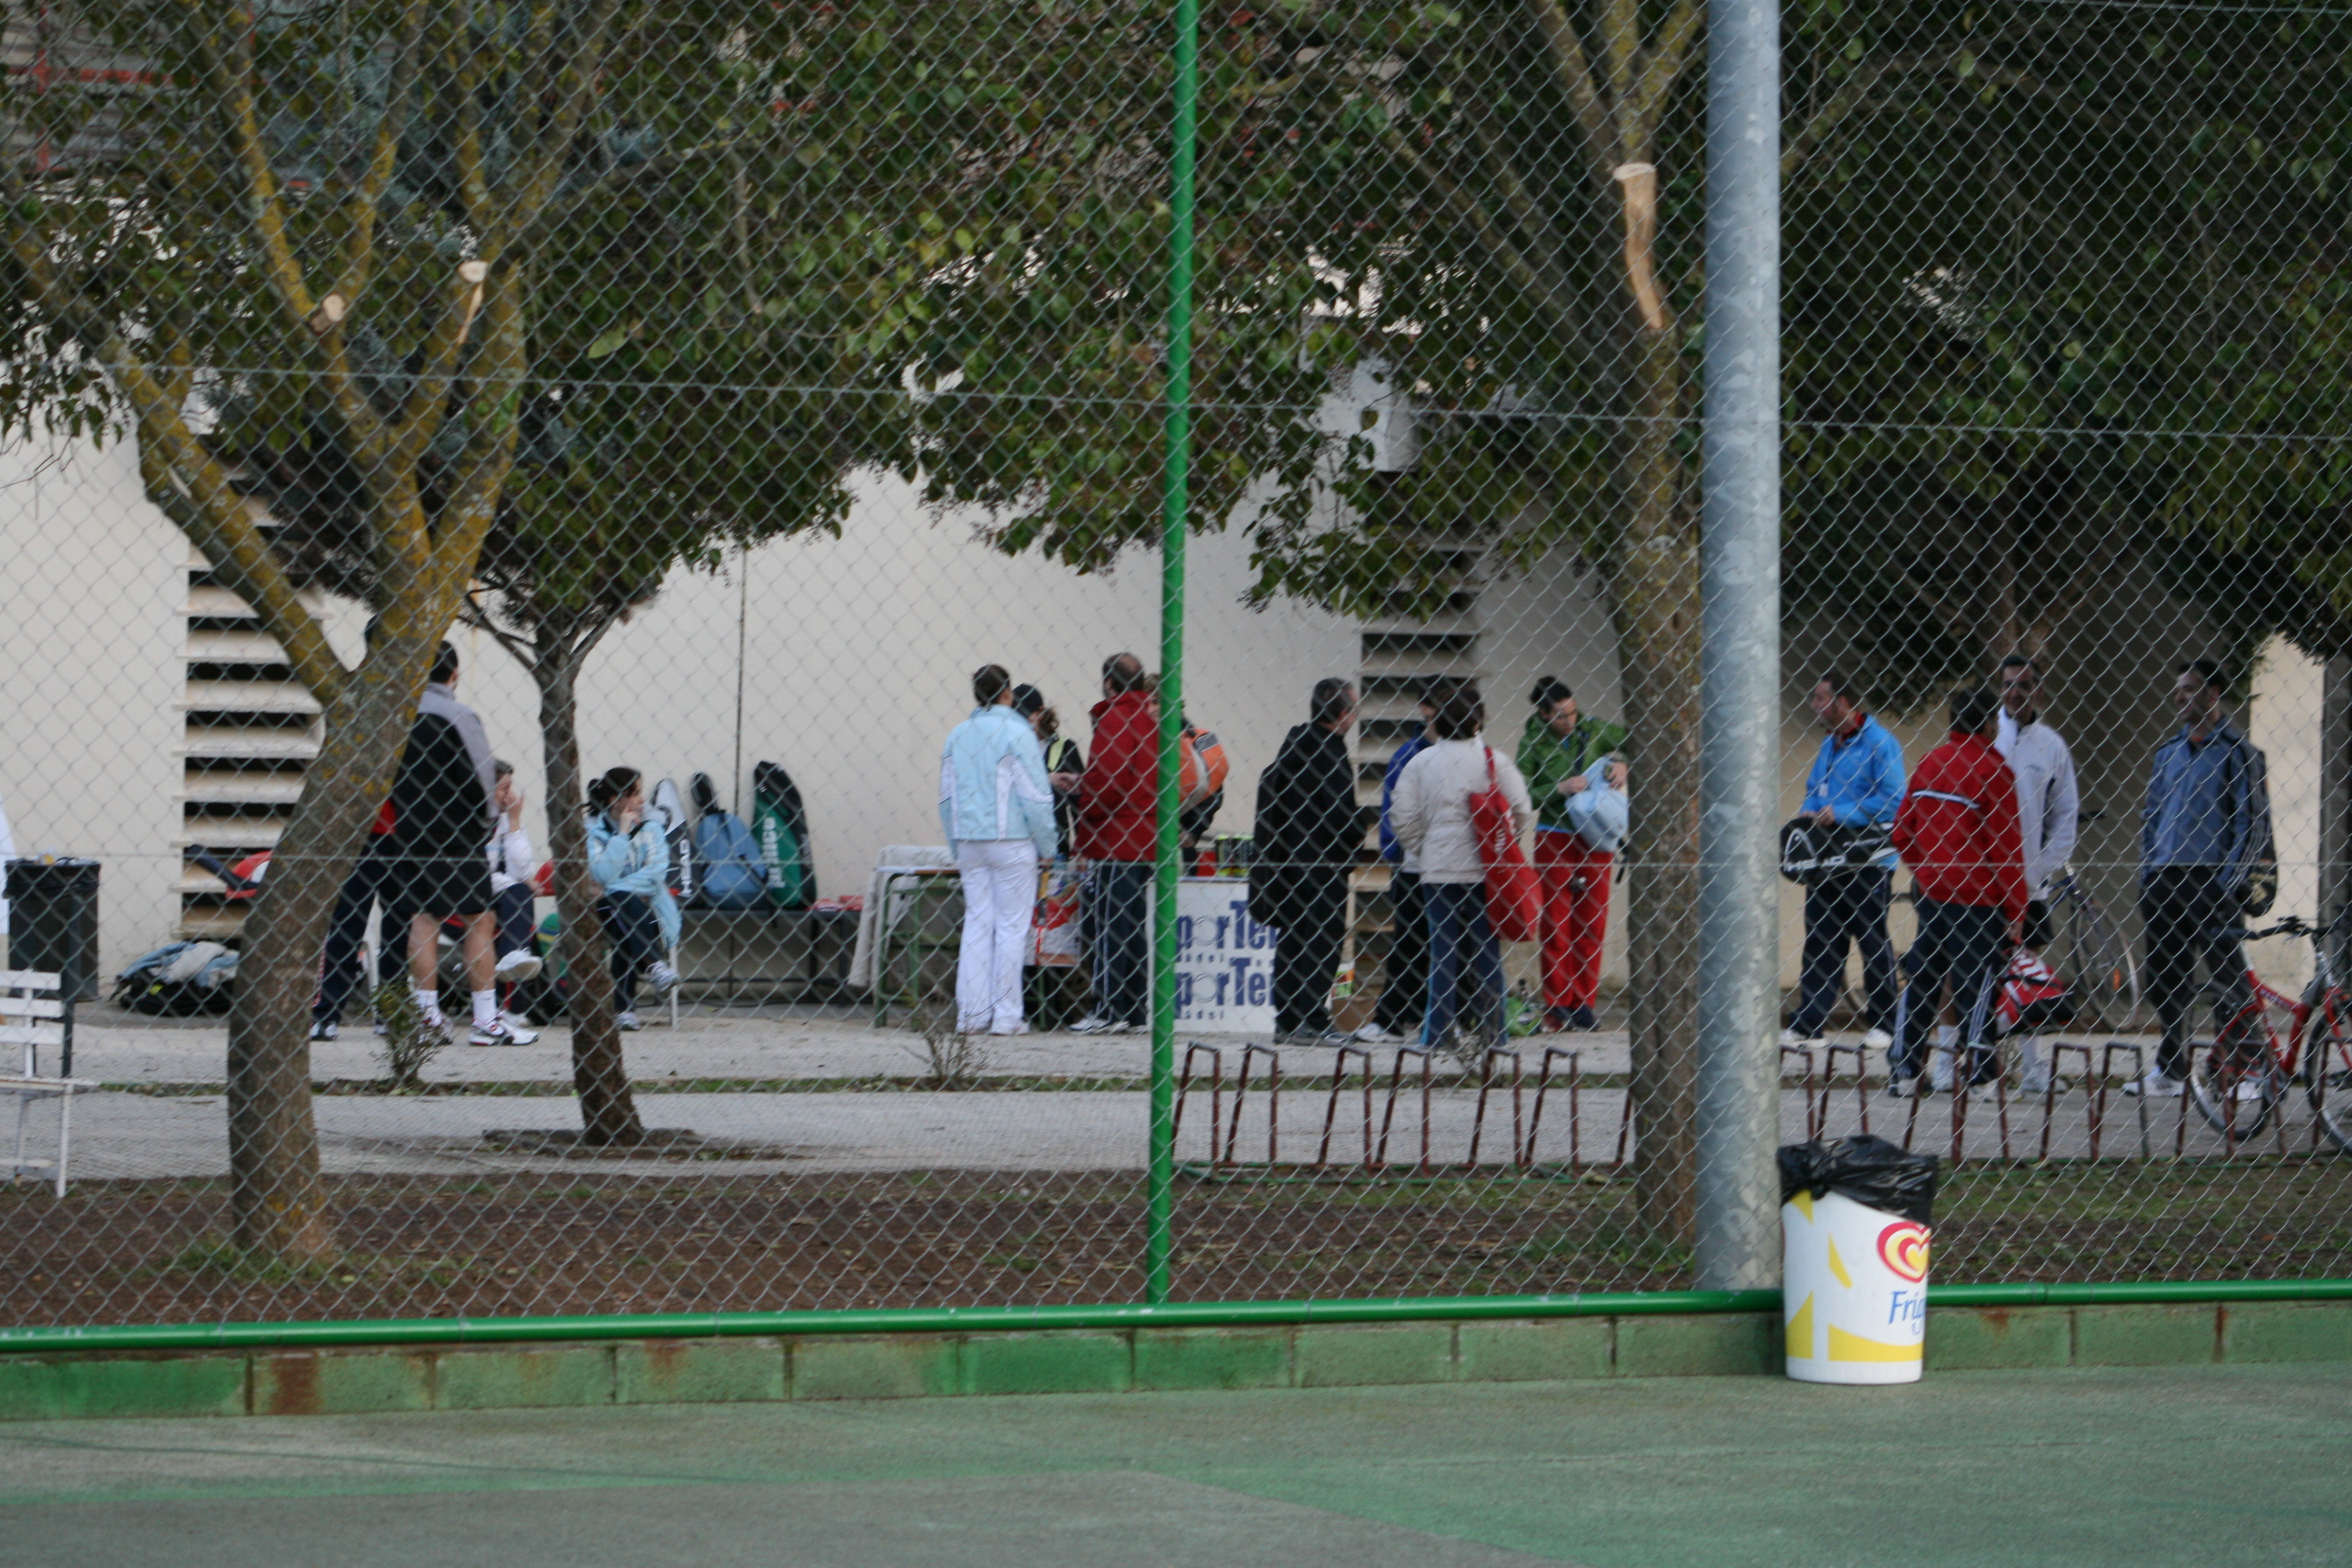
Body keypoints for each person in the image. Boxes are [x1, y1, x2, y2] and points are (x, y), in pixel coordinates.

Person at [381, 642, 537, 1048]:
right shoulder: (459, 715)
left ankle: (427, 1017)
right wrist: (487, 825)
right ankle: (486, 1020)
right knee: (480, 919)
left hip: (411, 831)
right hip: (458, 834)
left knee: (423, 919)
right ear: (454, 675)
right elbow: (485, 778)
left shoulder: (396, 714)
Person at [2130, 659, 2269, 1098]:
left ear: (2213, 694)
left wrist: (2227, 883)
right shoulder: (2168, 753)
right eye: (2178, 689)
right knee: (2166, 979)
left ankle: (2248, 1071)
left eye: (2189, 689)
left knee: (2228, 979)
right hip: (2165, 880)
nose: (2179, 697)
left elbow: (2252, 824)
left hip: (2211, 881)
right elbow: (2152, 816)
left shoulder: (2238, 753)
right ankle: (2172, 1071)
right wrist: (2148, 872)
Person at [1887, 685, 2029, 1096]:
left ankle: (1906, 1071)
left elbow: (1903, 831)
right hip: (1978, 900)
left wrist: (1927, 871)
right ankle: (1982, 1076)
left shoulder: (1931, 763)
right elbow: (2005, 849)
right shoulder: (1993, 771)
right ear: (1989, 723)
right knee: (1976, 987)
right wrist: (2016, 909)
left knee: (1923, 980)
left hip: (1933, 895)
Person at [1391, 682, 1531, 1059]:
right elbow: (1521, 808)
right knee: (1487, 952)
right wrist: (1504, 844)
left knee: (1443, 952)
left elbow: (1401, 816)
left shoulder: (1421, 762)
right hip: (1486, 870)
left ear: (1438, 721)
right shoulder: (1494, 761)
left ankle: (1437, 1033)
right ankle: (1494, 1033)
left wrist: (1423, 847)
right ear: (1477, 722)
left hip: (1438, 871)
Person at [1783, 673, 1907, 1051]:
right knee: (1820, 939)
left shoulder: (1880, 743)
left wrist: (1843, 812)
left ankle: (1885, 1024)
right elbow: (1814, 788)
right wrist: (1810, 809)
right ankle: (1809, 1026)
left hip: (1868, 860)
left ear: (1843, 703)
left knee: (1871, 938)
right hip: (1828, 860)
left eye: (1820, 698)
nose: (1814, 705)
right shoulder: (1830, 743)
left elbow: (1894, 800)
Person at [940, 664, 1060, 1036]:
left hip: (969, 841)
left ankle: (971, 1015)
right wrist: (1048, 845)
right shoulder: (1019, 733)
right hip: (1012, 841)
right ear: (1008, 693)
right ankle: (1007, 1017)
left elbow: (946, 797)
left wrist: (956, 843)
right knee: (1011, 927)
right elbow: (1035, 797)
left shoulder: (957, 735)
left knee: (978, 923)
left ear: (976, 694)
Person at [1250, 679, 1361, 1045]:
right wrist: (1360, 829)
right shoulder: (1330, 752)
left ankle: (1288, 1019)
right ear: (1343, 715)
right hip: (1323, 865)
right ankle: (1313, 1017)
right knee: (1322, 942)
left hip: (1287, 863)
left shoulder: (1295, 746)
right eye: (1354, 710)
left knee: (1293, 939)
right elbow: (1339, 814)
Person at [1517, 678, 1628, 1032]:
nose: (1570, 721)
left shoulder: (1593, 730)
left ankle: (1584, 1004)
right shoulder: (1531, 743)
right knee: (1556, 923)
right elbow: (1522, 795)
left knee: (1592, 922)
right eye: (1561, 716)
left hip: (1596, 837)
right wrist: (1559, 788)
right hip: (1555, 836)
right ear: (1544, 714)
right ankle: (1557, 1005)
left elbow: (1637, 741)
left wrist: (1622, 762)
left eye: (1573, 713)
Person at [1992, 655, 2080, 1095]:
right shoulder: (1987, 735)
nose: (2015, 693)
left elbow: (2066, 816)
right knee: (1969, 972)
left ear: (2038, 691)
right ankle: (1967, 1064)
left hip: (2030, 886)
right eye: (2008, 684)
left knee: (2026, 973)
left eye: (2024, 685)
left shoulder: (2052, 746)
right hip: (1984, 883)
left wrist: (2038, 870)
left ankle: (2031, 1069)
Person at [1072, 653, 1157, 1033]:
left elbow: (1108, 780)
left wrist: (1084, 803)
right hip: (1144, 837)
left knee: (1109, 927)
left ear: (1109, 683)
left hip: (1114, 838)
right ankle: (1135, 1011)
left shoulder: (1115, 718)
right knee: (1133, 927)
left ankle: (1107, 1009)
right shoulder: (1150, 721)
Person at [1359, 682, 1448, 1045]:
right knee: (1410, 941)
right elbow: (1393, 813)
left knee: (1447, 944)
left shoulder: (1468, 754)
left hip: (1454, 865)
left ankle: (1435, 1016)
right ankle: (1393, 1018)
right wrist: (1398, 852)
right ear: (1426, 710)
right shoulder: (1409, 756)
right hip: (1414, 865)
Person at [586, 767, 681, 1032]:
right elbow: (602, 873)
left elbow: (656, 874)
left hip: (653, 913)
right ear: (616, 800)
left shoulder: (652, 828)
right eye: (636, 793)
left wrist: (613, 888)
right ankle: (654, 966)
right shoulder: (593, 832)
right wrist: (622, 833)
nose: (643, 800)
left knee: (623, 914)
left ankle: (625, 1009)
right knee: (620, 908)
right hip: (604, 915)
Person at [485, 762, 544, 1025]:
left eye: (511, 787)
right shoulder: (473, 821)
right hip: (469, 897)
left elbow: (525, 870)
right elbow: (482, 874)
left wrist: (515, 823)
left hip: (503, 896)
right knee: (520, 893)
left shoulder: (506, 820)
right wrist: (514, 882)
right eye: (504, 788)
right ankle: (513, 1008)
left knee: (521, 896)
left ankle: (513, 958)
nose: (511, 795)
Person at [1014, 684, 1084, 859]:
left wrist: (1083, 849)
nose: (1021, 724)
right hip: (1017, 848)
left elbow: (1080, 804)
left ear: (1041, 713)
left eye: (1026, 716)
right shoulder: (1010, 750)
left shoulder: (1065, 748)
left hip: (1056, 848)